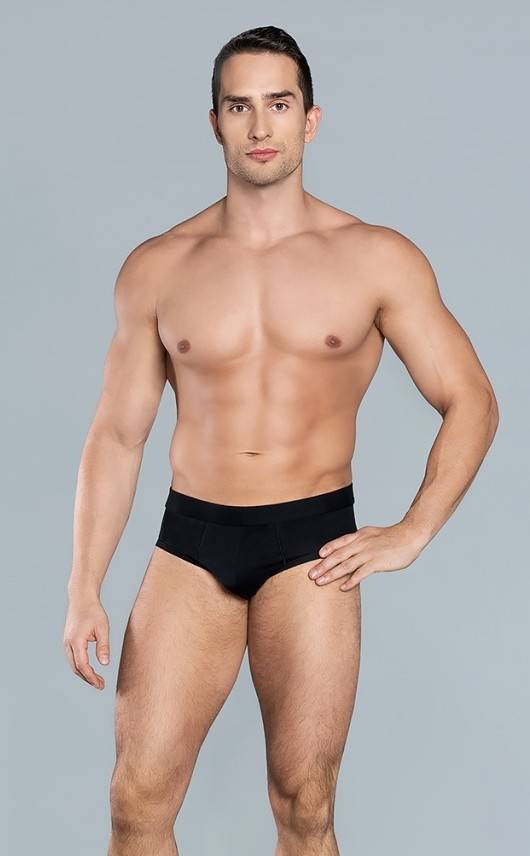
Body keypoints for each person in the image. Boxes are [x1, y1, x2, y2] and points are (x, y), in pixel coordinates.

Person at [63, 25, 499, 856]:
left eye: (279, 103)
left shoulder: (376, 258)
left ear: (311, 119)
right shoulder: (158, 266)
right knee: (136, 800)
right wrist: (84, 586)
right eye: (239, 106)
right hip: (192, 543)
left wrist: (415, 530)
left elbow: (471, 398)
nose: (260, 125)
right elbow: (117, 436)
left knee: (304, 804)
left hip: (312, 547)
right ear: (215, 123)